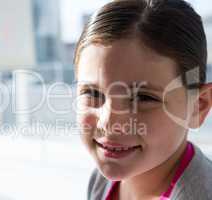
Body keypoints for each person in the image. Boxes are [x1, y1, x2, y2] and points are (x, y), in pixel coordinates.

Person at [73, 0, 212, 199]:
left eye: (143, 97)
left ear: (198, 106)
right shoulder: (101, 181)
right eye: (93, 93)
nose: (110, 124)